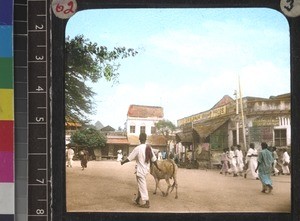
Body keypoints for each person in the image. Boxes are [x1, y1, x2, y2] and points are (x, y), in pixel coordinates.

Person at [121, 133, 161, 208]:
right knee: (141, 184)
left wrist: (123, 162)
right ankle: (137, 199)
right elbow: (154, 159)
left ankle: (147, 202)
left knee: (142, 185)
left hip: (140, 170)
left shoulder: (138, 148)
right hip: (146, 170)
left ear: (139, 139)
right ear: (145, 139)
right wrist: (158, 167)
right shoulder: (149, 148)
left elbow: (129, 158)